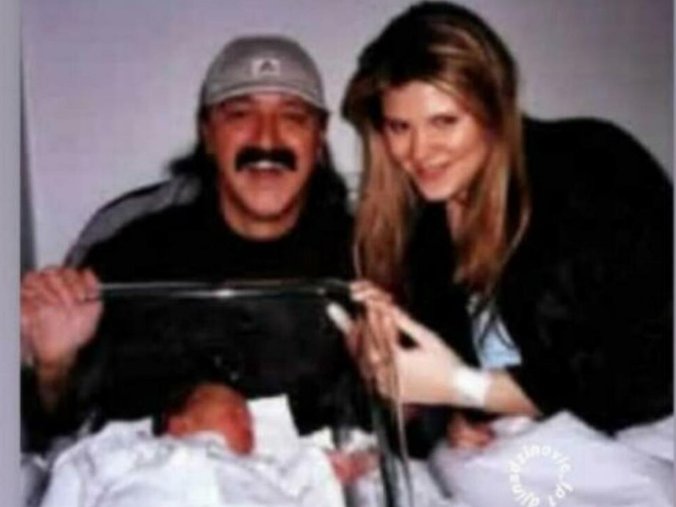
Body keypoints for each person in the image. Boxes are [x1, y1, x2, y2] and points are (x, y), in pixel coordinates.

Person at [339, 0, 672, 450]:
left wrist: (468, 389)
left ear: (494, 108)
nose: (420, 152)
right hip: (545, 460)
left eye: (444, 121)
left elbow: (646, 372)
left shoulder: (593, 166)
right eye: (400, 127)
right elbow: (447, 406)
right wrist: (399, 382)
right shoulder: (422, 230)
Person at [21, 35, 359, 449]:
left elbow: (407, 437)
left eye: (293, 117)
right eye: (239, 114)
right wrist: (54, 366)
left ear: (319, 137)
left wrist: (394, 385)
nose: (267, 139)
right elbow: (51, 430)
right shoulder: (129, 242)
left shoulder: (366, 253)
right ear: (207, 133)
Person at [38, 382, 378, 507]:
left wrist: (355, 461)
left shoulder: (262, 470)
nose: (248, 419)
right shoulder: (135, 451)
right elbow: (76, 472)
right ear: (178, 423)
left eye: (248, 417)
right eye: (234, 410)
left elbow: (312, 472)